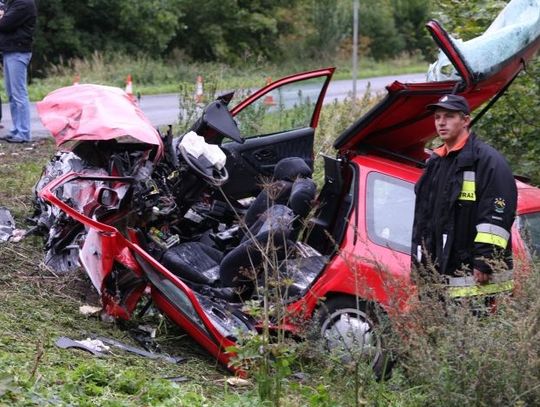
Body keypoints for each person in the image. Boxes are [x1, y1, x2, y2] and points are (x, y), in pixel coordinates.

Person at [411, 94, 517, 287]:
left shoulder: (487, 161)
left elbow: (496, 214)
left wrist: (486, 259)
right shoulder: (436, 161)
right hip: (440, 274)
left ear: (465, 120)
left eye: (449, 116)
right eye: (437, 117)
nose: (441, 123)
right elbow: (426, 218)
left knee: (478, 318)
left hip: (477, 278)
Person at [0, 0, 37, 144]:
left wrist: (2, 16)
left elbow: (4, 24)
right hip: (10, 52)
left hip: (18, 52)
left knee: (19, 93)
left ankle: (23, 132)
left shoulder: (23, 3)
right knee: (11, 94)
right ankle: (16, 129)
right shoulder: (13, 3)